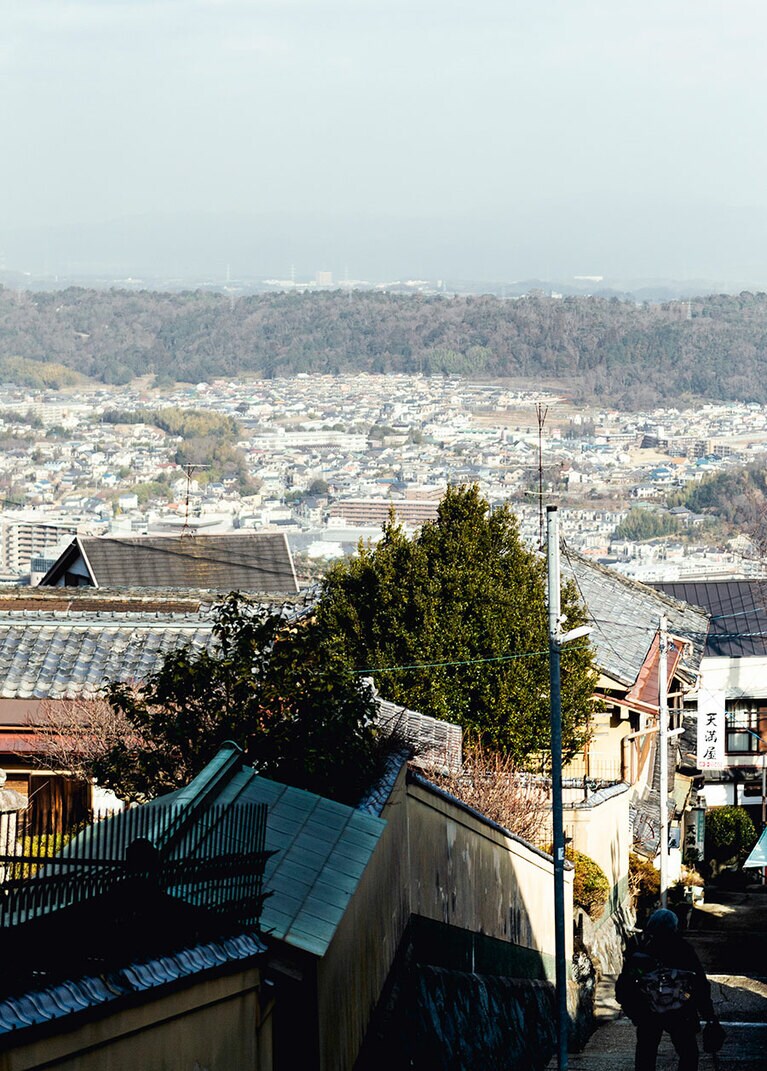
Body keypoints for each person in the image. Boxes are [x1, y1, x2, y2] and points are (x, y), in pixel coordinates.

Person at [615, 908, 717, 1071]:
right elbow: (699, 983)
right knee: (688, 1053)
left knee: (646, 1055)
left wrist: (634, 1011)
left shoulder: (642, 950)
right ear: (674, 927)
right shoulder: (683, 949)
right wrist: (708, 1014)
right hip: (680, 1011)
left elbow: (624, 985)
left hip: (648, 1011)